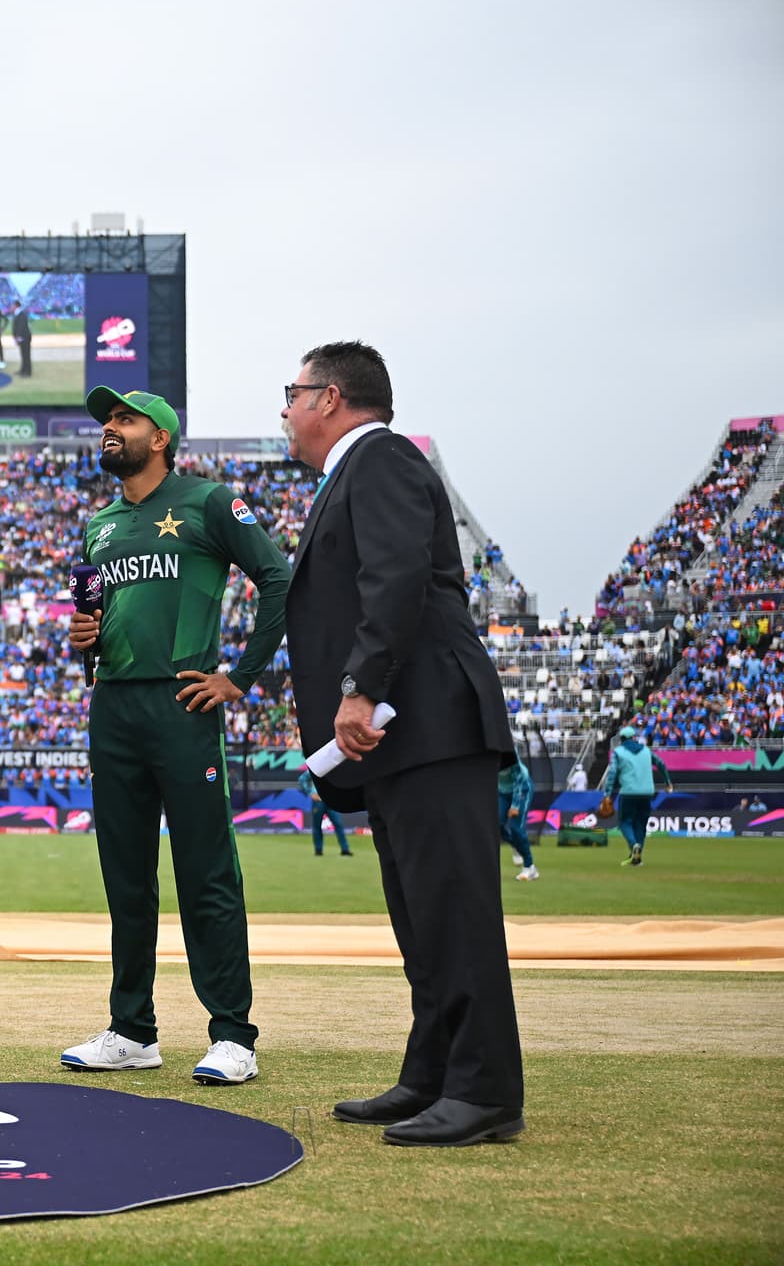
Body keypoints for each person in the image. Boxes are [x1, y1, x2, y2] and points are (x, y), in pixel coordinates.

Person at [282, 340, 524, 1147]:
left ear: (331, 398)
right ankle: (433, 1075)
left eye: (293, 392)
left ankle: (485, 1091)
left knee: (454, 914)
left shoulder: (380, 459)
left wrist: (361, 687)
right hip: (401, 733)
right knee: (423, 919)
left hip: (426, 719)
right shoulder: (353, 473)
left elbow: (394, 575)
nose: (285, 409)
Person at [63, 387, 290, 1087]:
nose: (110, 428)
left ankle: (232, 1035)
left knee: (205, 873)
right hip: (114, 709)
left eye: (124, 420)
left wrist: (241, 678)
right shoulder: (99, 524)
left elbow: (279, 576)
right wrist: (83, 645)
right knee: (126, 879)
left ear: (159, 437)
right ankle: (132, 1030)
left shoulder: (208, 501)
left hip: (184, 705)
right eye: (106, 420)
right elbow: (98, 631)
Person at [601, 725, 672, 867]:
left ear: (621, 739)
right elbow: (661, 763)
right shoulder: (646, 750)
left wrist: (607, 794)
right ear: (634, 738)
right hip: (647, 792)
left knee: (625, 822)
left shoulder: (618, 752)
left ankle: (634, 845)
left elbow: (613, 772)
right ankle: (637, 857)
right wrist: (667, 782)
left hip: (628, 792)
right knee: (641, 824)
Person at [299, 764, 352, 856]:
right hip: (318, 801)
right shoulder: (316, 768)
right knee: (317, 825)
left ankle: (345, 849)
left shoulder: (334, 769)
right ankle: (318, 850)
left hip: (331, 801)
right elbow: (302, 779)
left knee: (338, 824)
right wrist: (310, 792)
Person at [499, 758, 539, 880]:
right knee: (497, 825)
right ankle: (516, 845)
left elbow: (518, 777)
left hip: (522, 789)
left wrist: (515, 805)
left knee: (516, 828)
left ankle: (529, 867)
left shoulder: (508, 751)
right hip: (502, 791)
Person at [11, 300, 33, 376]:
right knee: (23, 354)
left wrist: (17, 337)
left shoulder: (21, 314)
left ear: (16, 306)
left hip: (25, 337)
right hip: (22, 338)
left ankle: (27, 372)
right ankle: (23, 370)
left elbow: (21, 327)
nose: (11, 307)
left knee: (26, 355)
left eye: (12, 305)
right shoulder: (18, 314)